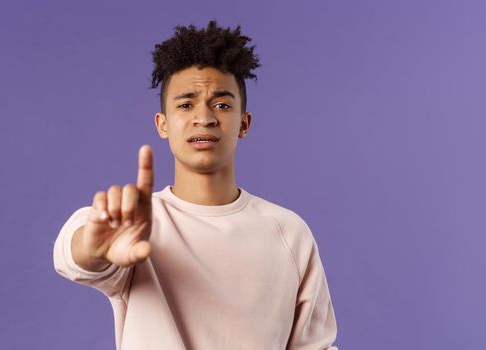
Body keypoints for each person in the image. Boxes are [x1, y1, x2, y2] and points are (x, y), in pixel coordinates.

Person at [53, 20, 338, 349]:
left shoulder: (289, 233)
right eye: (186, 104)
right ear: (163, 125)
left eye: (222, 104)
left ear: (244, 124)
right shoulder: (138, 225)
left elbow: (314, 346)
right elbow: (73, 257)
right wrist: (92, 248)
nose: (204, 117)